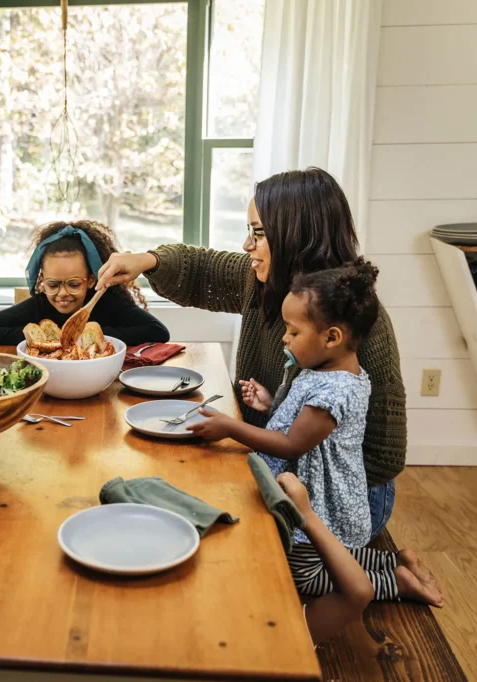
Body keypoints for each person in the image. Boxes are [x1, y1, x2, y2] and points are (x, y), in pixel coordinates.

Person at [96, 168, 406, 538]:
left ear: (297, 236)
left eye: (258, 234)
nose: (247, 246)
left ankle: (390, 574)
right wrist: (146, 260)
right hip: (278, 467)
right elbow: (203, 268)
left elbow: (384, 453)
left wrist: (293, 484)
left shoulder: (356, 320)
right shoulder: (268, 282)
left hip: (340, 502)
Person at [188, 259, 442, 607]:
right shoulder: (328, 370)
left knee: (302, 573)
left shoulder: (334, 390)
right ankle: (393, 560)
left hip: (323, 503)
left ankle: (394, 583)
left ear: (332, 337)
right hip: (326, 494)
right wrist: (269, 405)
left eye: (293, 331)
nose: (284, 336)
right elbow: (303, 424)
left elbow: (293, 444)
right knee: (333, 555)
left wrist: (230, 426)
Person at [0, 220, 169, 347]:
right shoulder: (39, 305)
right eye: (53, 285)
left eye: (73, 284)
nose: (62, 293)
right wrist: (46, 338)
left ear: (90, 280)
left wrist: (88, 333)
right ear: (42, 280)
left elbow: (158, 332)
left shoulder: (106, 302)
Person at [275, 472, 374, 644]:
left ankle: (394, 573)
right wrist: (306, 515)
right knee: (308, 576)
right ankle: (393, 578)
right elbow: (356, 593)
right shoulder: (286, 643)